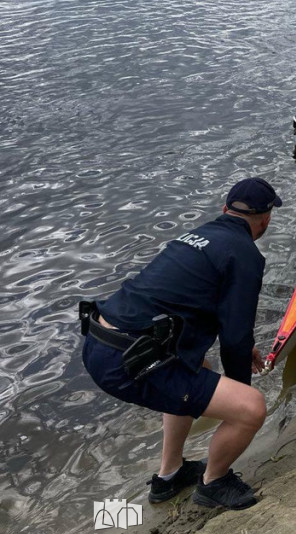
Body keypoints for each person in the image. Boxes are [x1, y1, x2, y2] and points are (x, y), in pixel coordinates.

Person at [81, 178, 282, 510]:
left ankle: (169, 475)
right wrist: (237, 397)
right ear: (266, 219)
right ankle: (214, 483)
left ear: (225, 210)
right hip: (129, 359)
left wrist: (241, 348)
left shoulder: (199, 236)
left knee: (197, 366)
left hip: (99, 343)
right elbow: (234, 337)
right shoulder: (245, 254)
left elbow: (205, 311)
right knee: (251, 409)